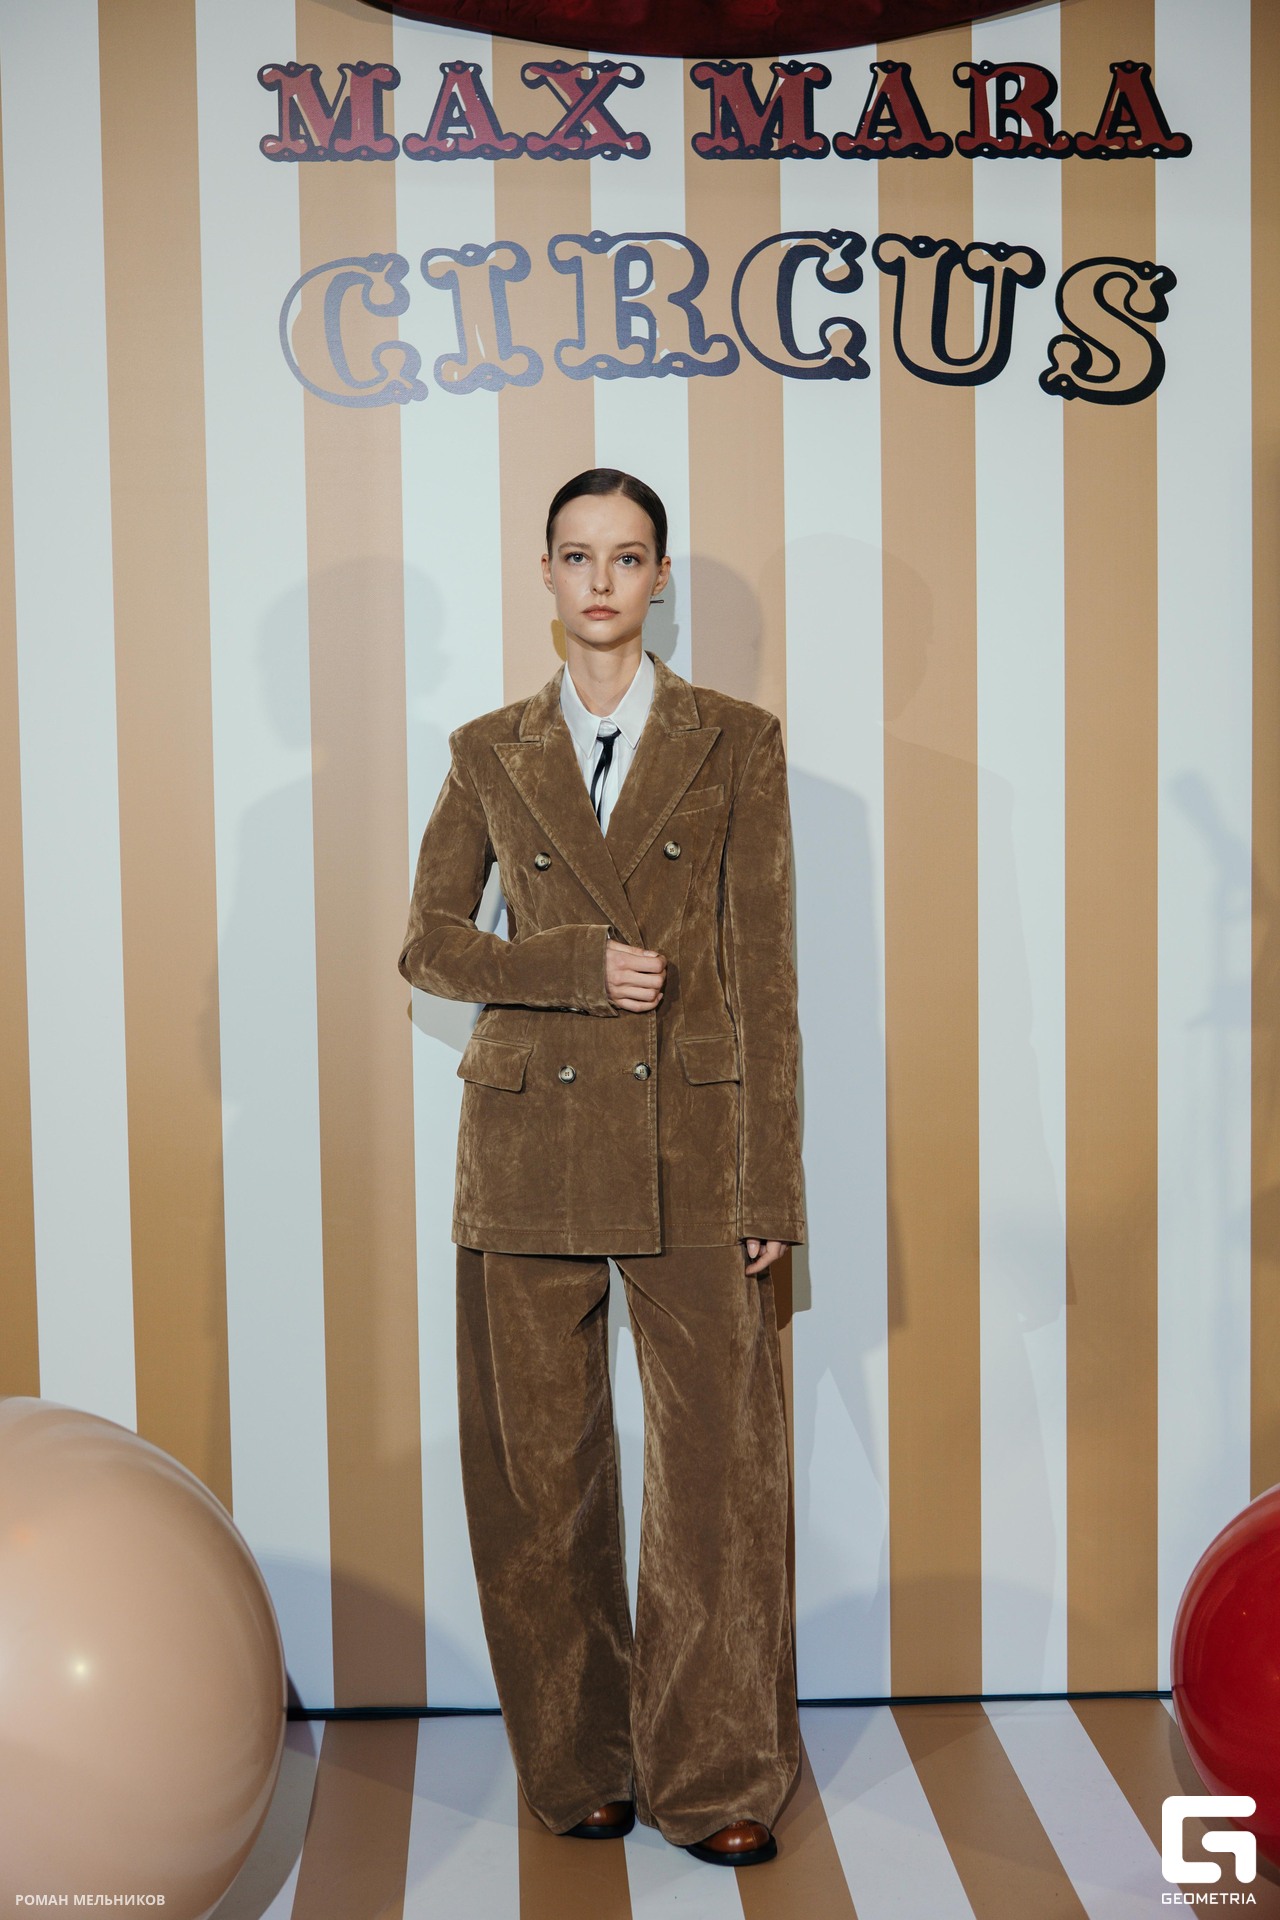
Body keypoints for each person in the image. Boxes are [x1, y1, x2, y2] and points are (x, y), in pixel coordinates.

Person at [398, 467, 806, 1866]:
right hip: (530, 1145)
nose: (601, 582)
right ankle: (578, 1761)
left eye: (627, 558)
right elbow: (428, 942)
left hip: (695, 1145)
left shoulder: (738, 740)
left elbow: (767, 975)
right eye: (577, 556)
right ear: (546, 573)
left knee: (722, 1477)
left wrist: (772, 1184)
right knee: (540, 1476)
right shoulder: (489, 750)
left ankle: (717, 1772)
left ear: (660, 578)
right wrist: (572, 965)